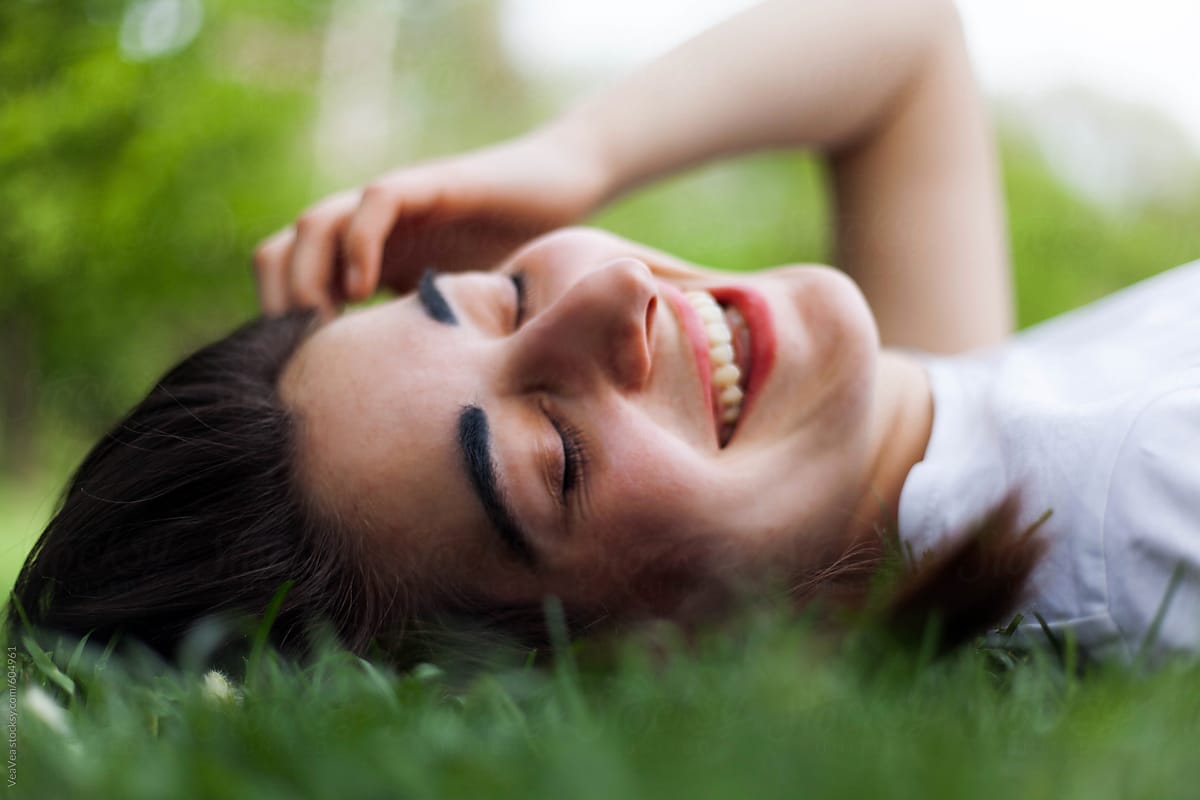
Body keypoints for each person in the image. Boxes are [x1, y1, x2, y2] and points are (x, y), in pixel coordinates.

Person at [10, 0, 1196, 665]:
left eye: (494, 298)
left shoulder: (916, 482)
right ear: (638, 666)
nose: (604, 297)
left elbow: (902, 49)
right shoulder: (1141, 501)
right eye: (554, 459)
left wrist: (565, 158)